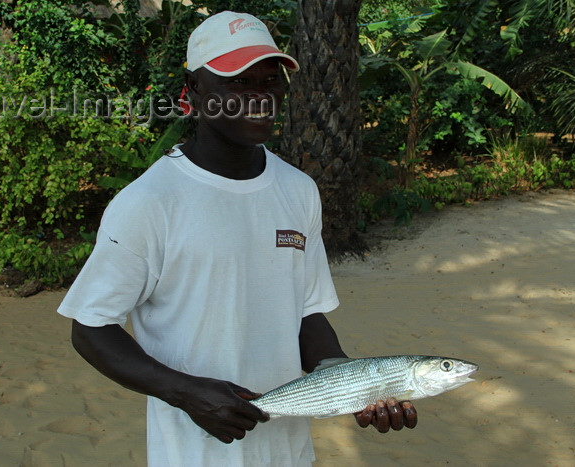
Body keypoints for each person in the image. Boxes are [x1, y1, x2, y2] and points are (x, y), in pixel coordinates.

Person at [58, 10, 417, 467]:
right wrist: (185, 392)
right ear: (192, 93)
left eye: (270, 81)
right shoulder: (150, 202)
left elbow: (305, 313)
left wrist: (354, 385)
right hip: (194, 455)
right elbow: (90, 327)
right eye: (238, 82)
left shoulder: (297, 190)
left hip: (290, 453)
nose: (260, 97)